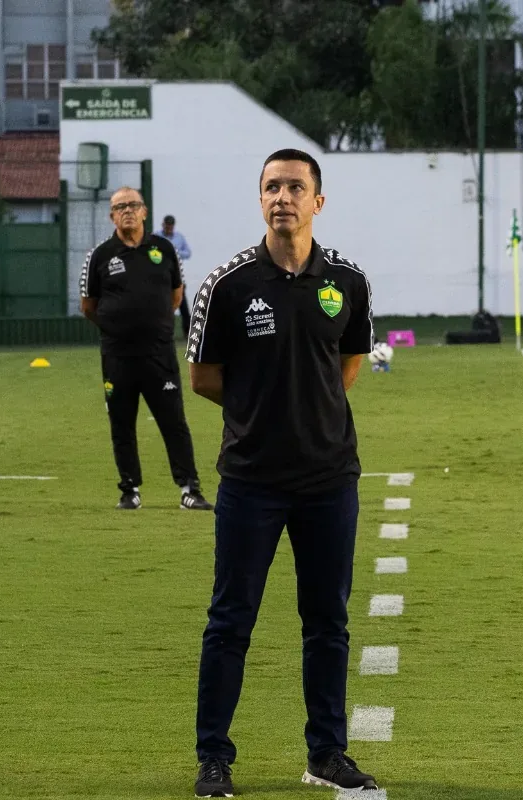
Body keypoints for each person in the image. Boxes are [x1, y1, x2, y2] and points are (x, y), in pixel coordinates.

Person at [186, 149, 377, 797]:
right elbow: (203, 378)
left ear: (317, 201)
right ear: (260, 199)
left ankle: (327, 754)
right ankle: (214, 758)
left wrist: (307, 414)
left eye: (295, 187)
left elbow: (347, 365)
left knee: (327, 622)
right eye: (271, 187)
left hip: (329, 479)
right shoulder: (227, 285)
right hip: (251, 481)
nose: (282, 197)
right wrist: (260, 412)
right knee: (230, 621)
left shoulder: (348, 281)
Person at [79, 186, 213, 512]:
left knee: (174, 422)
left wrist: (152, 324)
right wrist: (117, 327)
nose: (127, 210)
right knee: (122, 424)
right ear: (111, 216)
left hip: (159, 355)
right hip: (117, 357)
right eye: (120, 206)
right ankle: (130, 490)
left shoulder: (165, 249)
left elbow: (176, 296)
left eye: (133, 205)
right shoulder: (99, 256)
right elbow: (88, 306)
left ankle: (189, 490)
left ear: (144, 211)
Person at [156, 215, 194, 340]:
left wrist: (175, 251)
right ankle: (162, 331)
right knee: (161, 305)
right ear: (163, 225)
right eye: (167, 226)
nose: (169, 228)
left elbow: (188, 253)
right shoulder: (157, 236)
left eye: (171, 226)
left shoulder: (179, 237)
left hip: (176, 275)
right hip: (161, 275)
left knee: (183, 306)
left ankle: (187, 333)